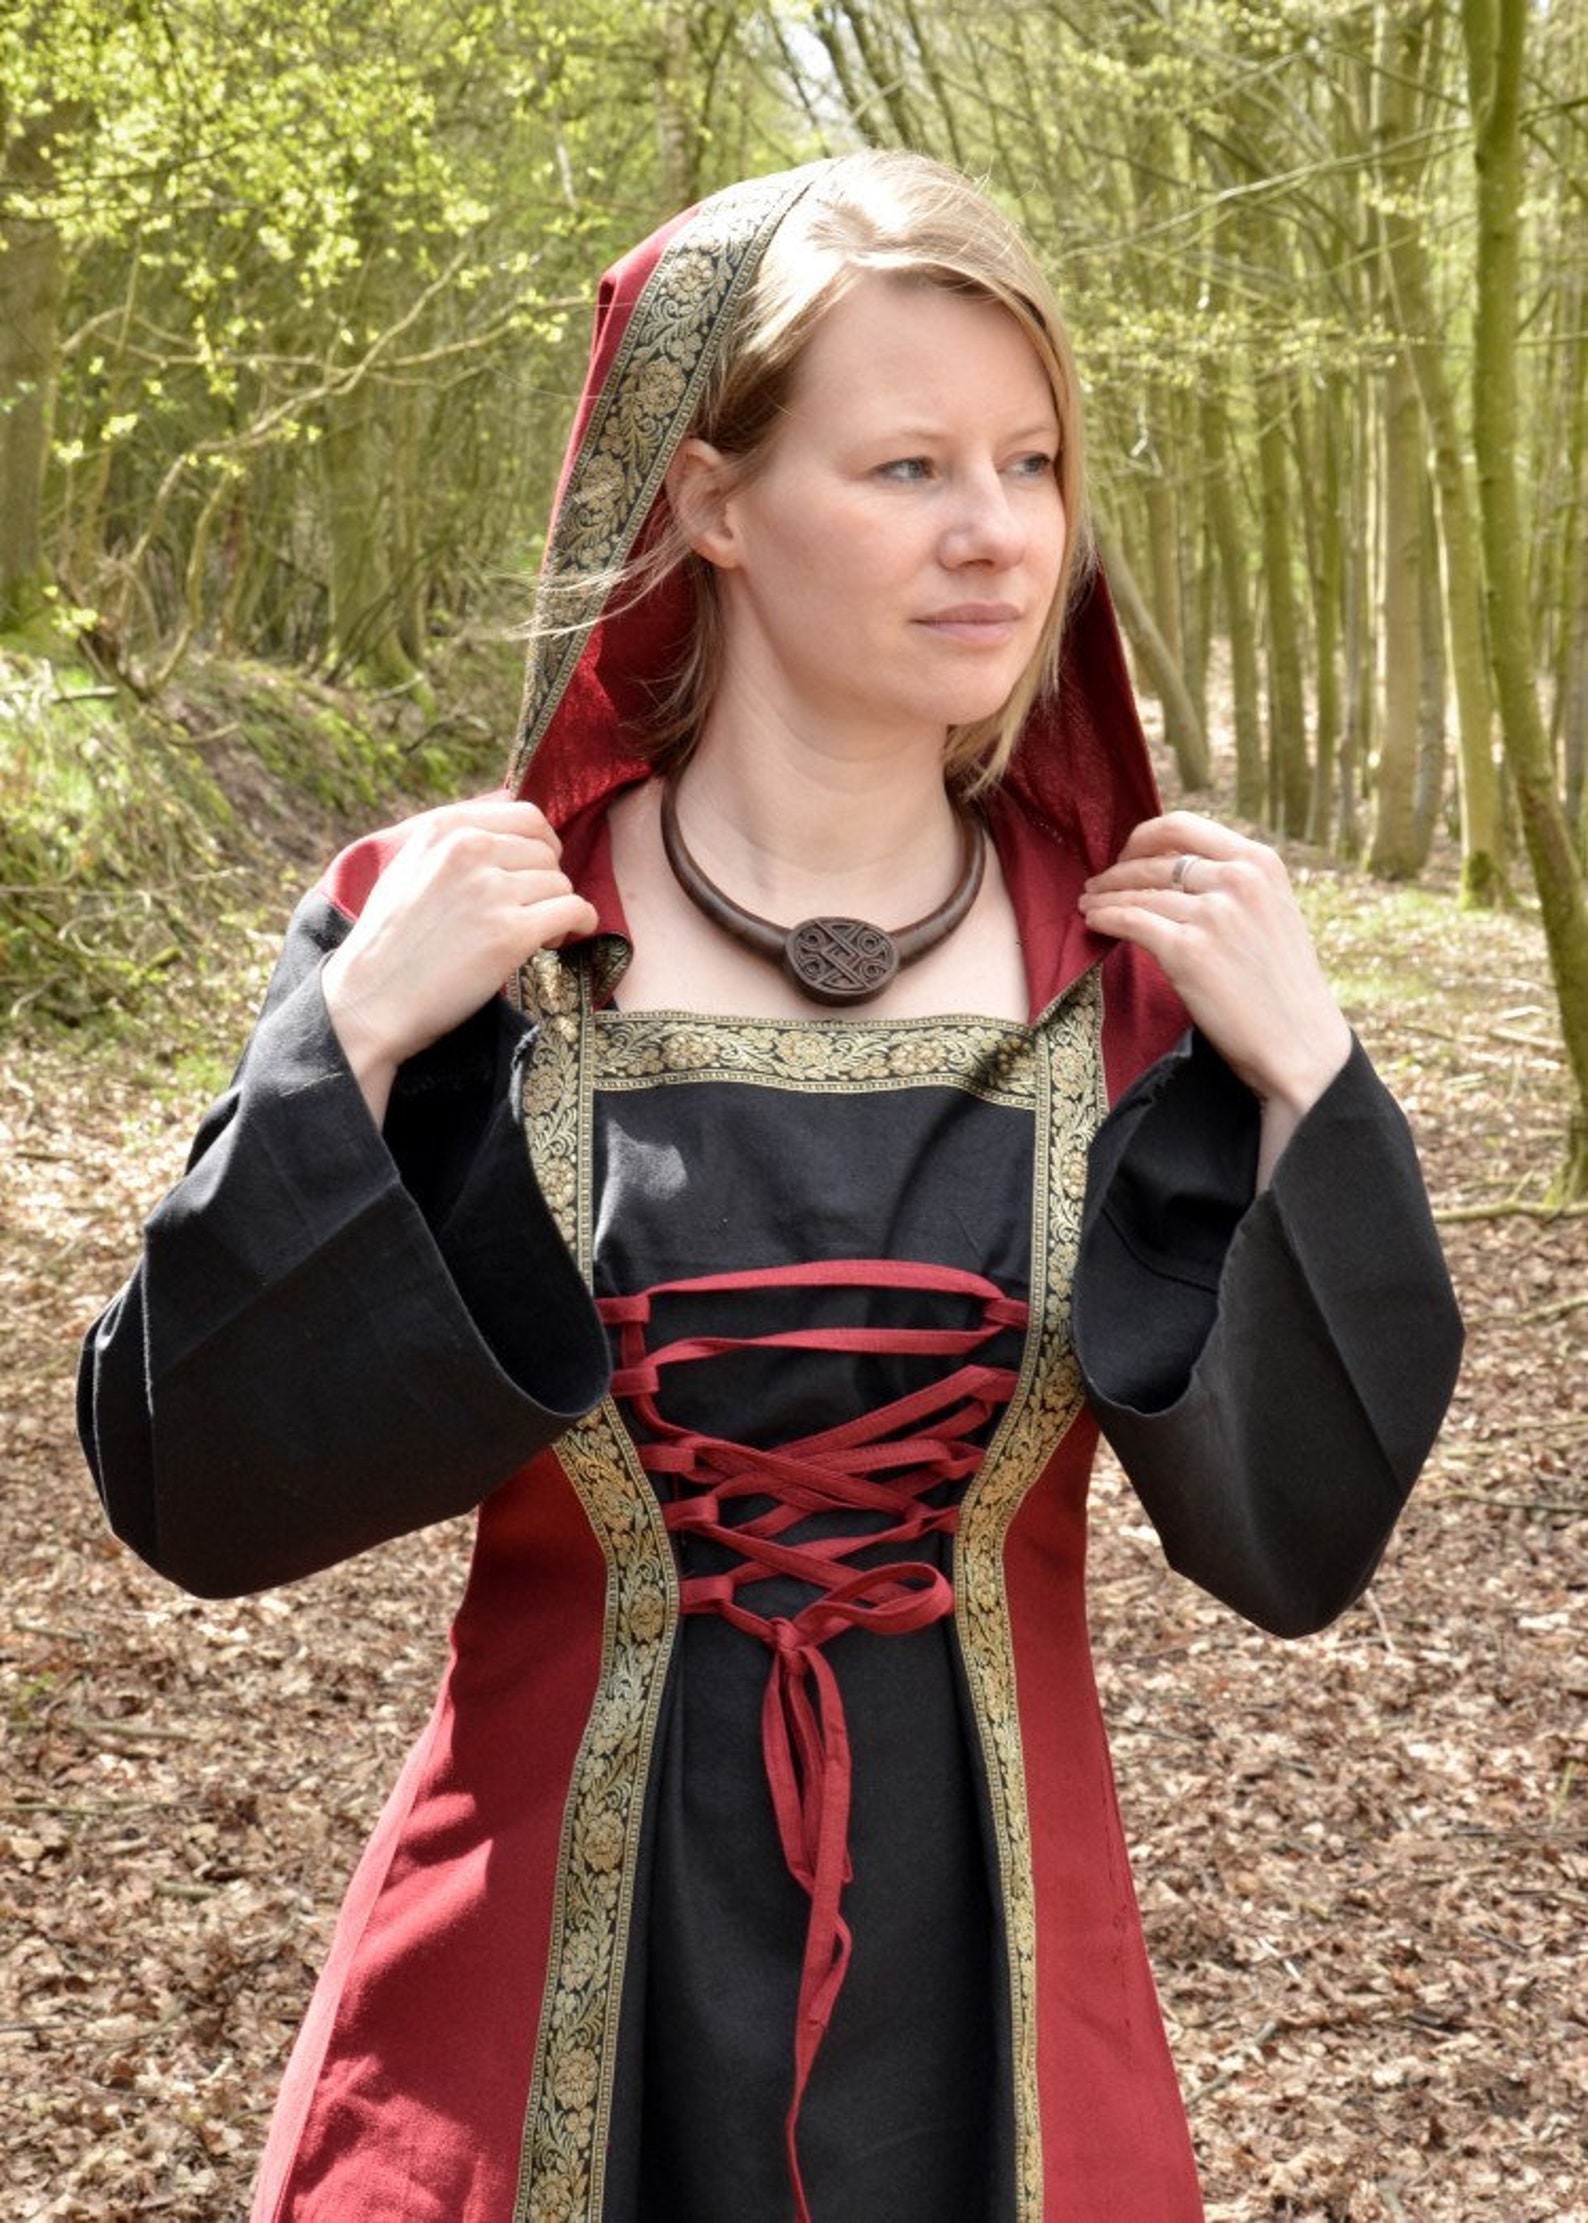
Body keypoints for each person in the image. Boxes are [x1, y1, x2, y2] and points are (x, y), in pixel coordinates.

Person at [78, 152, 1461, 2223]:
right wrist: (346, 1045)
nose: (996, 532)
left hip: (995, 2002)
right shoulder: (466, 941)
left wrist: (1307, 1091)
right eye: (907, 465)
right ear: (710, 499)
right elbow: (197, 1487)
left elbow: (1300, 1537)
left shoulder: (1136, 983)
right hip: (523, 2010)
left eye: (1031, 462)